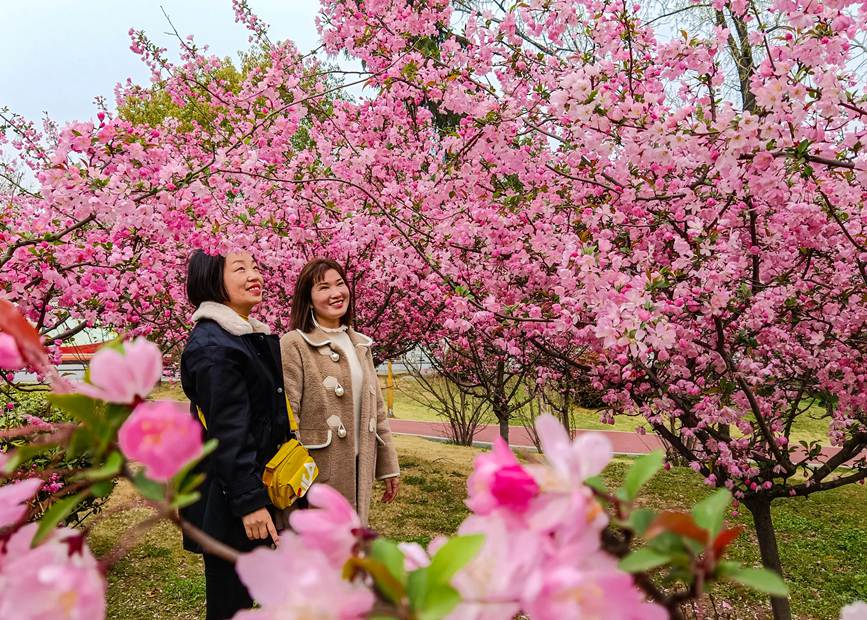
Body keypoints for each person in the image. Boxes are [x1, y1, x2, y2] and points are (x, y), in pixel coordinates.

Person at [180, 249, 291, 620]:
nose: (254, 275)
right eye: (240, 269)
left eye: (256, 267)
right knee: (230, 603)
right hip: (229, 498)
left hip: (249, 486)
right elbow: (229, 434)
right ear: (214, 282)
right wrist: (249, 503)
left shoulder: (241, 337)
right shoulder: (215, 346)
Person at [280, 258, 400, 524]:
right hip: (316, 475)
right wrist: (296, 480)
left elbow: (377, 410)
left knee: (349, 551)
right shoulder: (295, 344)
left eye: (340, 284)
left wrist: (389, 466)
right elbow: (288, 416)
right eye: (323, 287)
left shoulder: (359, 344)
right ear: (308, 299)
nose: (336, 293)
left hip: (359, 469)